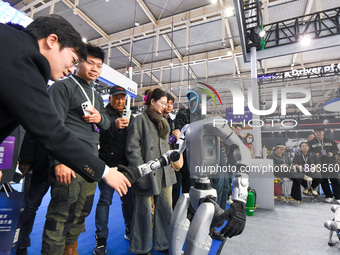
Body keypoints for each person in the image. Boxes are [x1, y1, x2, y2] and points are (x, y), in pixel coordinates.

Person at [0, 16, 130, 192]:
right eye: (73, 59)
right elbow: (50, 129)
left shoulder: (13, 49)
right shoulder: (22, 60)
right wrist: (104, 172)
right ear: (52, 41)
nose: (70, 69)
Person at [41, 44, 110, 255]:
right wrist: (59, 161)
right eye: (90, 62)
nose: (95, 68)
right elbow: (53, 127)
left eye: (99, 65)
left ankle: (70, 250)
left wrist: (100, 118)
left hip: (90, 163)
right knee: (60, 215)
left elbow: (106, 124)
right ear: (78, 61)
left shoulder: (96, 94)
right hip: (69, 162)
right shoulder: (62, 87)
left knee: (81, 212)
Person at [126, 88, 176, 255]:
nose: (164, 106)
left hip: (165, 173)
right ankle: (142, 247)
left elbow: (167, 147)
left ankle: (163, 243)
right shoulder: (139, 120)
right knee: (144, 210)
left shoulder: (165, 123)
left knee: (165, 208)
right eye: (162, 103)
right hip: (146, 172)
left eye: (166, 104)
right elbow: (133, 148)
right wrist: (140, 172)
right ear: (152, 102)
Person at [94, 86, 134, 255]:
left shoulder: (129, 116)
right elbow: (96, 136)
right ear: (109, 98)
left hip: (126, 167)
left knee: (129, 202)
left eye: (123, 98)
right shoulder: (102, 115)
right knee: (105, 201)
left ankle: (129, 230)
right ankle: (101, 239)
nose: (120, 101)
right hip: (107, 167)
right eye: (116, 98)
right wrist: (113, 126)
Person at [16, 133, 50, 255]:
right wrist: (26, 160)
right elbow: (32, 132)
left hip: (57, 167)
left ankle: (22, 243)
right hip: (38, 165)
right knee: (28, 207)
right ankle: (21, 244)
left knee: (31, 207)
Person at [309, 127, 340, 203]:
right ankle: (328, 196)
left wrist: (332, 153)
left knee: (335, 180)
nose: (318, 133)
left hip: (331, 163)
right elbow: (309, 152)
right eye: (316, 132)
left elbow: (336, 149)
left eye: (320, 132)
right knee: (324, 180)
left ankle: (338, 197)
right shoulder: (311, 142)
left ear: (323, 132)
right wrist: (315, 154)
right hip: (320, 164)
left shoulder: (330, 141)